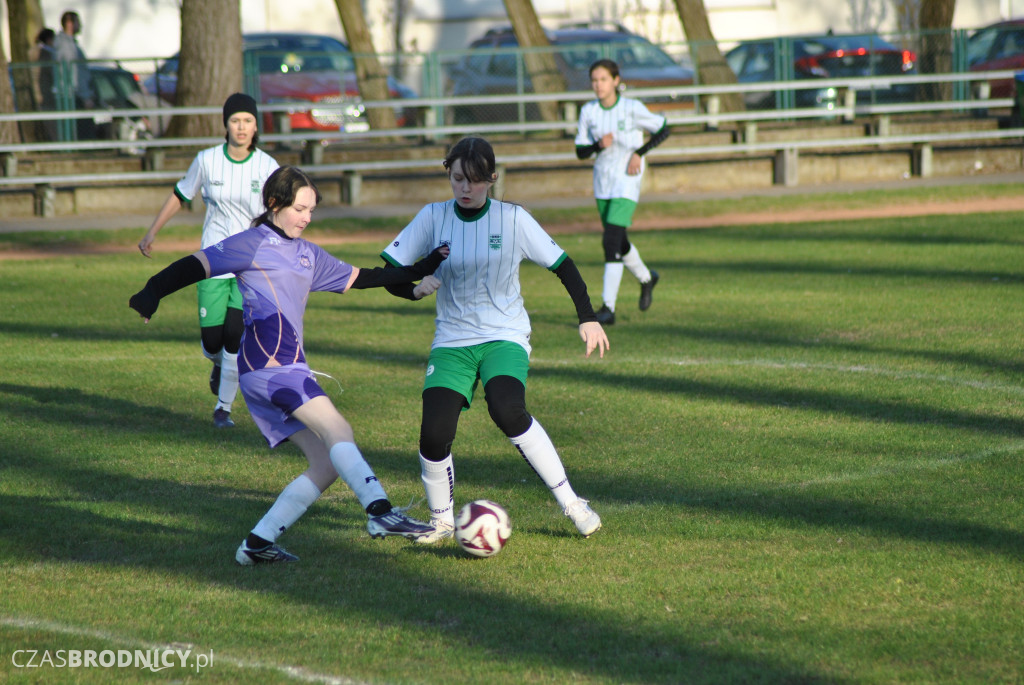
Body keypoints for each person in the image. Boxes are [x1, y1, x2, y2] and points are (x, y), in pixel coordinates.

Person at [129, 165, 450, 564]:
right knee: (338, 428)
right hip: (269, 367)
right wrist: (151, 292)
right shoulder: (251, 243)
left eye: (311, 210)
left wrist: (419, 272)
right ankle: (380, 512)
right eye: (300, 208)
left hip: (283, 368)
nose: (307, 217)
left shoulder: (307, 253)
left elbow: (363, 277)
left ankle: (257, 544)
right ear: (274, 203)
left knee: (325, 463)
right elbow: (193, 266)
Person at [380, 136, 610, 543]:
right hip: (452, 341)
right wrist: (412, 290)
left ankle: (573, 503)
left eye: (474, 180)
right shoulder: (433, 216)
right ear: (448, 176)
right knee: (433, 432)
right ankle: (442, 522)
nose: (465, 189)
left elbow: (564, 265)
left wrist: (588, 318)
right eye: (457, 179)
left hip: (504, 336)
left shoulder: (513, 219)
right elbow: (392, 272)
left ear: (491, 179)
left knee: (507, 410)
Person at [138, 93, 279, 429]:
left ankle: (223, 410)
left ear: (256, 125)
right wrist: (151, 232)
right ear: (225, 125)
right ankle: (218, 365)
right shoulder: (207, 160)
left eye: (247, 120)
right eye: (235, 120)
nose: (241, 127)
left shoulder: (268, 167)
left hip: (250, 265)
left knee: (234, 335)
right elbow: (181, 195)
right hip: (212, 262)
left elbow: (280, 211)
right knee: (213, 341)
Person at [575, 58, 670, 325]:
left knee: (610, 241)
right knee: (619, 240)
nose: (598, 85)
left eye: (603, 79)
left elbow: (664, 128)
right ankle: (647, 278)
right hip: (602, 181)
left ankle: (608, 307)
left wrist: (639, 153)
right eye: (594, 80)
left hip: (627, 180)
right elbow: (580, 151)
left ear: (616, 81)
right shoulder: (589, 111)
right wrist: (597, 144)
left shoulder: (631, 108)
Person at [52, 10, 94, 139]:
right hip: (74, 94)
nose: (79, 26)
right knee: (83, 130)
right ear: (69, 23)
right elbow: (74, 72)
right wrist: (84, 95)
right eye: (77, 22)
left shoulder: (69, 44)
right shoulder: (67, 46)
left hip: (73, 93)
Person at [31, 28, 58, 142]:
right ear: (49, 40)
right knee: (51, 124)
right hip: (45, 94)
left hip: (36, 94)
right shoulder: (46, 54)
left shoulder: (32, 52)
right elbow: (51, 73)